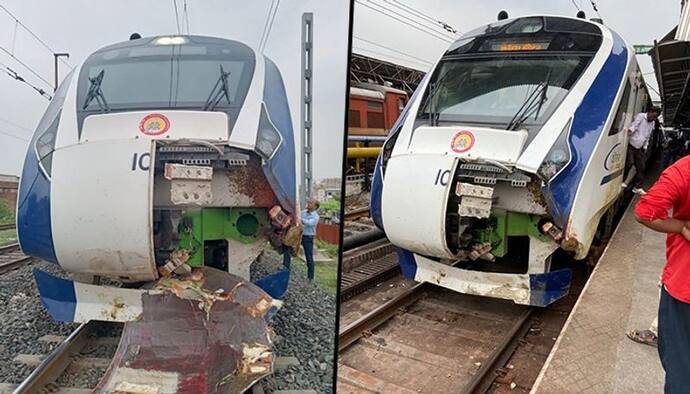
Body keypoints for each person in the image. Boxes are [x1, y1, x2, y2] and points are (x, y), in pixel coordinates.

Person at [634, 155, 690, 392]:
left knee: (681, 369)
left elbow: (645, 212)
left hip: (684, 287)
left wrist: (681, 226)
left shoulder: (684, 170)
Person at [626, 107, 660, 190]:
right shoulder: (641, 116)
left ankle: (637, 187)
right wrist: (630, 131)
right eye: (653, 116)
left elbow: (648, 136)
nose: (654, 119)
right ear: (649, 112)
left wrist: (645, 147)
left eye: (656, 117)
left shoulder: (652, 123)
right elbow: (634, 125)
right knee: (630, 163)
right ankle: (623, 181)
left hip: (639, 147)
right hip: (632, 144)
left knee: (641, 167)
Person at [301, 199, 320, 282]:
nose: (308, 204)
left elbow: (309, 223)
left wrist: (300, 220)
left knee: (309, 257)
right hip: (299, 235)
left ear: (315, 207)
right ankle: (285, 267)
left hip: (308, 237)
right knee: (287, 248)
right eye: (308, 202)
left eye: (310, 203)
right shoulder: (303, 212)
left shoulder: (316, 216)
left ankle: (310, 277)